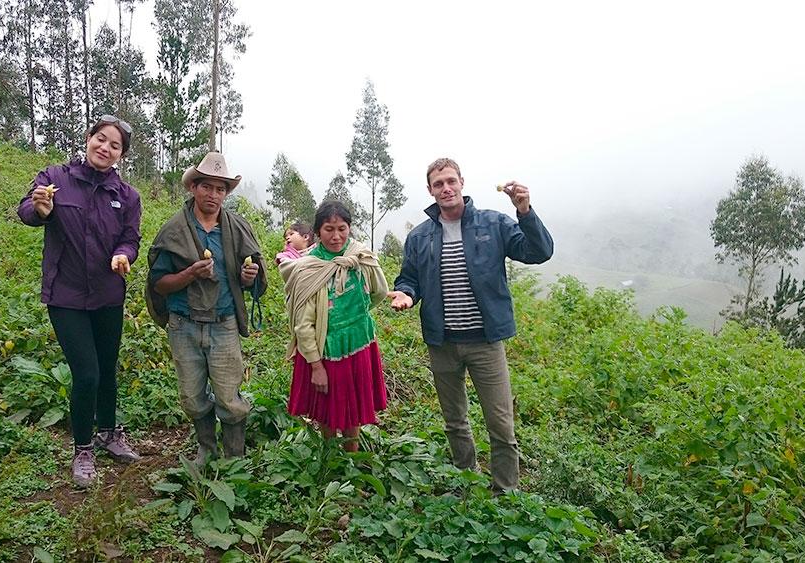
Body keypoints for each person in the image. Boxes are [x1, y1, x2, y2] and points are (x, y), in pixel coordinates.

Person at [386, 157, 553, 492]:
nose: (446, 188)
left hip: (485, 341)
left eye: (450, 181)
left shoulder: (494, 224)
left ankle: (506, 491)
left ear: (462, 182)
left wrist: (525, 211)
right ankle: (465, 479)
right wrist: (405, 294)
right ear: (430, 190)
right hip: (442, 341)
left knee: (501, 422)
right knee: (455, 421)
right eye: (438, 184)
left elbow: (539, 252)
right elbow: (409, 279)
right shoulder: (419, 237)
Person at [17, 114, 142, 488]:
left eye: (114, 144)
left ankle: (108, 432)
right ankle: (83, 448)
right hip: (66, 295)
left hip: (107, 294)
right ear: (88, 139)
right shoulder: (55, 178)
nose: (105, 147)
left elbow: (131, 239)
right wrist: (39, 210)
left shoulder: (127, 196)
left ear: (121, 154)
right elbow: (26, 210)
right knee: (86, 372)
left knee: (107, 367)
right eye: (100, 139)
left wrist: (123, 255)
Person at [145, 152, 267, 465]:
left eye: (220, 189)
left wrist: (247, 276)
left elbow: (255, 280)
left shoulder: (238, 228)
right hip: (183, 324)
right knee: (192, 395)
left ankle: (234, 457)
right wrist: (190, 274)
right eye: (207, 187)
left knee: (229, 396)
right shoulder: (173, 230)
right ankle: (207, 449)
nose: (213, 195)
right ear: (194, 188)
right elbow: (158, 283)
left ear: (226, 193)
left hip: (223, 322)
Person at [280, 200, 388, 451]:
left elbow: (379, 291)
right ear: (317, 232)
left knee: (354, 407)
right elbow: (303, 324)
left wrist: (355, 316)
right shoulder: (309, 268)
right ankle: (330, 457)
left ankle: (351, 457)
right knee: (327, 409)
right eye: (329, 229)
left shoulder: (360, 256)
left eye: (342, 228)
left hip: (359, 341)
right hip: (324, 349)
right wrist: (316, 366)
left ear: (349, 228)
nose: (336, 236)